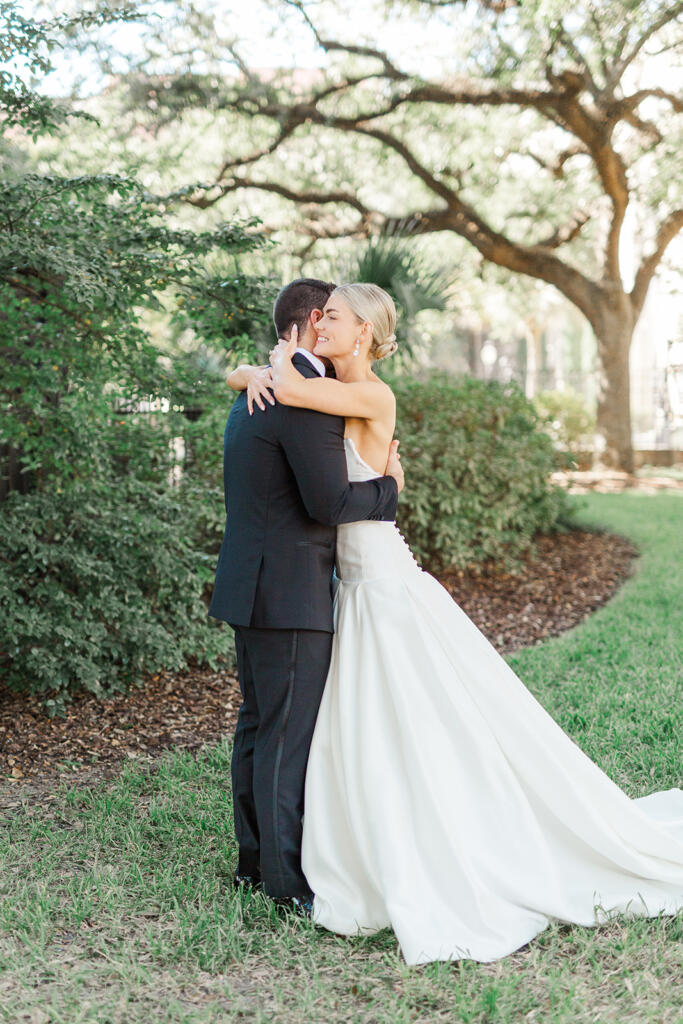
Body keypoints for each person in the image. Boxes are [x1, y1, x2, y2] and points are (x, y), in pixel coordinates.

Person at [232, 280, 683, 965]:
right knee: (358, 724)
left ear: (364, 331)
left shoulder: (371, 395)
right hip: (345, 586)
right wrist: (250, 373)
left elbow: (292, 393)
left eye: (335, 317)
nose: (321, 324)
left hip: (381, 579)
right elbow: (287, 394)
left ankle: (437, 837)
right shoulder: (322, 387)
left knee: (418, 716)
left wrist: (266, 370)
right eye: (318, 317)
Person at [208, 278, 403, 911]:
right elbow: (329, 503)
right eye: (328, 317)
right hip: (291, 593)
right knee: (285, 736)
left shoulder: (262, 390)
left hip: (249, 583)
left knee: (258, 725)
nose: (329, 329)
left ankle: (253, 862)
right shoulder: (298, 396)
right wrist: (390, 488)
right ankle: (286, 885)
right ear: (316, 320)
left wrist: (253, 369)